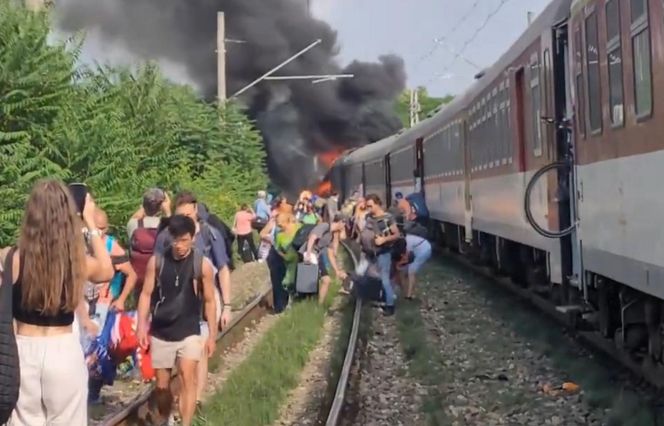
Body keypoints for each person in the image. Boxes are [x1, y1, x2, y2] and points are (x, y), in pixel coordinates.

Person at [6, 180, 114, 426]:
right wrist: (90, 222)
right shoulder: (75, 261)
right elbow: (107, 270)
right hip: (62, 350)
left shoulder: (11, 258)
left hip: (23, 352)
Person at [154, 191, 232, 410]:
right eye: (181, 215)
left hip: (203, 298)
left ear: (196, 211)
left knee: (200, 349)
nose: (185, 220)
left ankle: (195, 399)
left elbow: (223, 269)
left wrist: (226, 305)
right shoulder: (167, 236)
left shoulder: (210, 234)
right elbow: (157, 266)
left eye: (189, 214)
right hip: (173, 300)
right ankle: (182, 396)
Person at [93, 208, 137, 324]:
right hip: (82, 301)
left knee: (98, 338)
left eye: (102, 229)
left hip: (103, 302)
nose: (100, 232)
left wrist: (121, 300)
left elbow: (132, 275)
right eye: (96, 228)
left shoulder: (111, 246)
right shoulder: (81, 242)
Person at [127, 188, 171, 295]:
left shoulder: (134, 224)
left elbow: (132, 219)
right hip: (161, 279)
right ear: (161, 206)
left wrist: (142, 209)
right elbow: (176, 233)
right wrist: (168, 211)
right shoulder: (166, 225)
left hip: (138, 280)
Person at [365, 194, 401, 316]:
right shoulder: (369, 217)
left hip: (384, 252)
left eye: (370, 206)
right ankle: (381, 296)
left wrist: (384, 240)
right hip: (370, 251)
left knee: (384, 277)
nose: (368, 208)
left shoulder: (387, 218)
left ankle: (390, 304)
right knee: (368, 274)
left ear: (377, 204)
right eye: (367, 206)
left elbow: (396, 235)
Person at [300, 214, 348, 304]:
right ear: (341, 222)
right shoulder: (325, 226)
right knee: (310, 281)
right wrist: (308, 254)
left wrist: (337, 270)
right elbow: (312, 237)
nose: (344, 227)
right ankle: (307, 302)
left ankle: (319, 305)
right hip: (310, 253)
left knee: (327, 280)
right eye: (344, 224)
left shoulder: (332, 235)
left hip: (317, 255)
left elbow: (330, 254)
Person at [394, 234, 432, 299]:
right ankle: (406, 289)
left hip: (424, 250)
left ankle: (409, 295)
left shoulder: (406, 244)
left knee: (411, 271)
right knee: (404, 271)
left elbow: (407, 259)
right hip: (419, 248)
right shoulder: (403, 241)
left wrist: (398, 264)